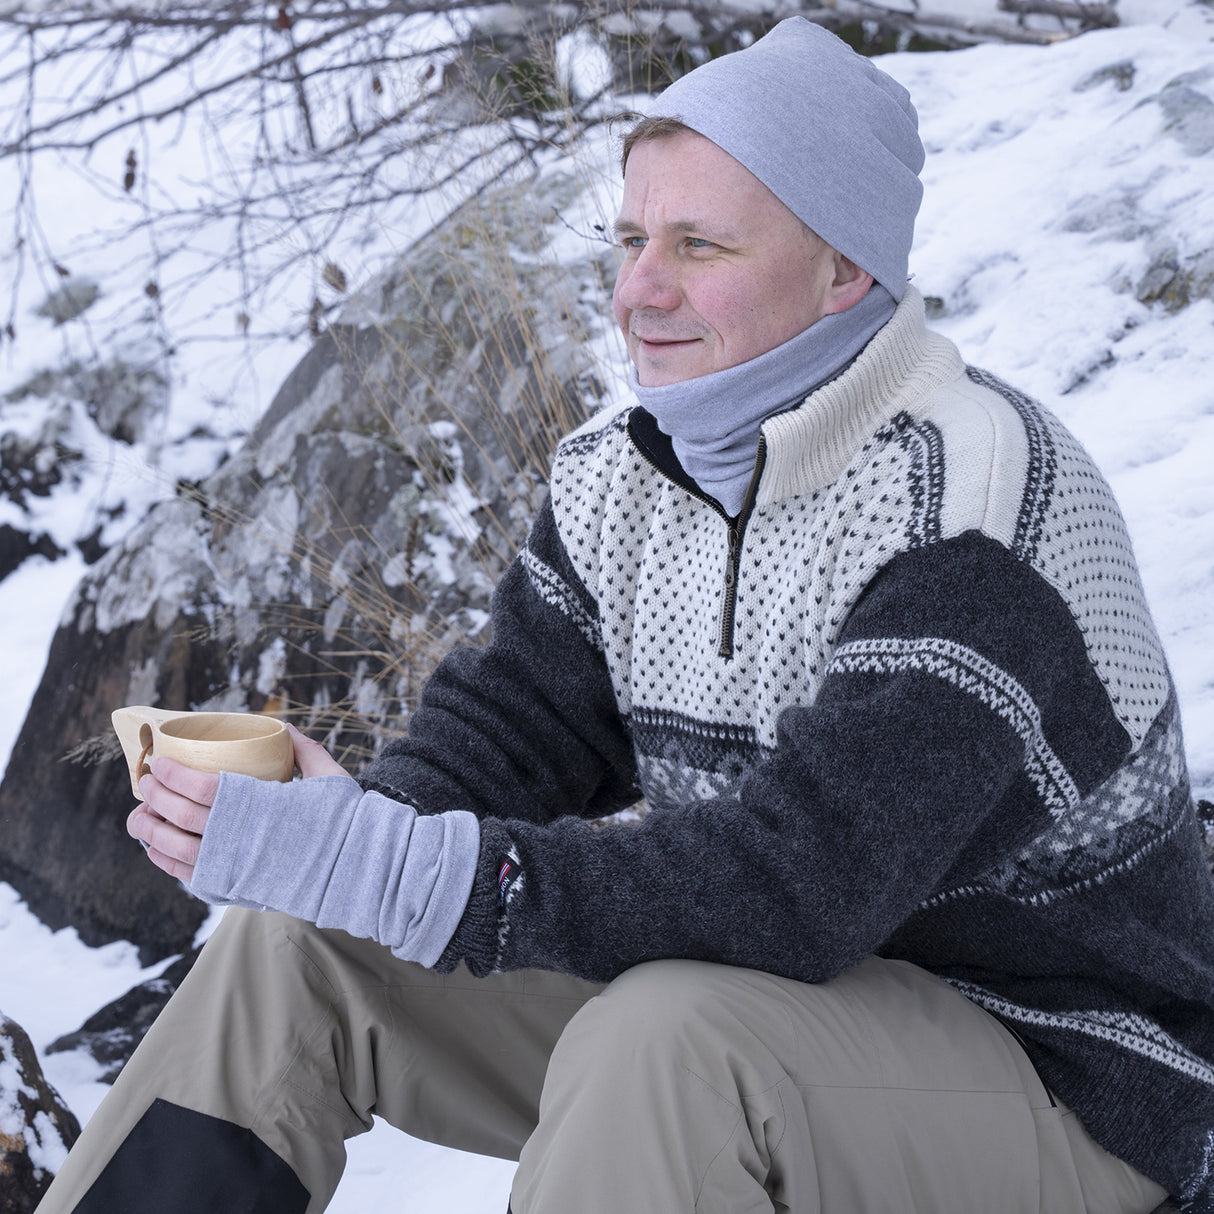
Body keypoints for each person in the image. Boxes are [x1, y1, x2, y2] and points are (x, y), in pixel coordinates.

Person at [37, 17, 1213, 1214]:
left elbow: (800, 886)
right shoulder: (625, 473)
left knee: (665, 1039)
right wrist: (352, 833)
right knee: (299, 942)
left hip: (1065, 1071)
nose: (637, 289)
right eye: (633, 237)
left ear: (843, 269)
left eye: (697, 244)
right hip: (787, 1008)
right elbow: (511, 730)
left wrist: (399, 866)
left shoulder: (975, 507)